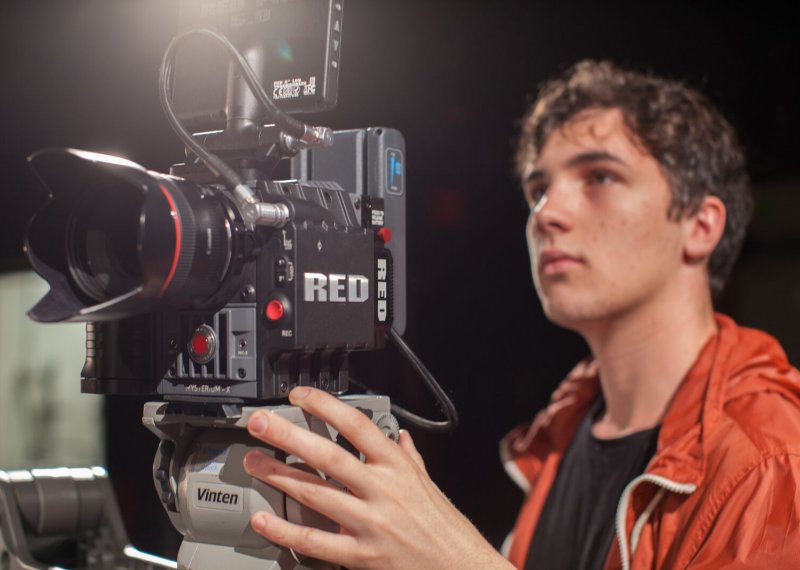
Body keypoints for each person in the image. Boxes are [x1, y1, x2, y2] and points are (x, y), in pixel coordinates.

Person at [240, 60, 800, 569]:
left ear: (701, 226)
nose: (547, 212)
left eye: (599, 177)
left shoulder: (769, 459)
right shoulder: (561, 429)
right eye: (538, 187)